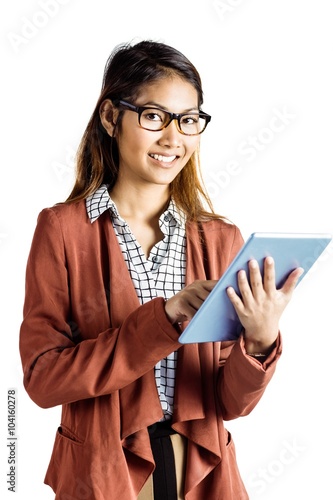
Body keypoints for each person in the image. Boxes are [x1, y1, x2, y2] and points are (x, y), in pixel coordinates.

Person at [19, 39, 303, 500]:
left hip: (202, 470)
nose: (174, 138)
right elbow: (44, 380)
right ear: (112, 118)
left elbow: (229, 404)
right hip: (103, 471)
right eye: (154, 117)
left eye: (189, 120)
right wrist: (163, 319)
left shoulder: (220, 239)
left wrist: (260, 340)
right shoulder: (63, 230)